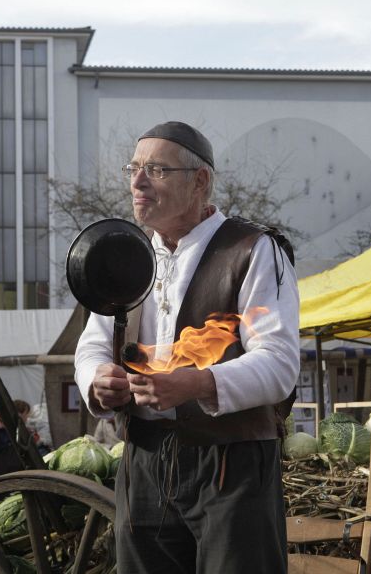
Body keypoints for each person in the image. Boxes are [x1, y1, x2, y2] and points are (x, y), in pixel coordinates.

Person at [75, 121, 300, 573]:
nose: (138, 182)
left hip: (230, 464)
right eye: (133, 169)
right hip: (144, 462)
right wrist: (96, 379)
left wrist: (196, 384)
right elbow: (93, 345)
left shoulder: (253, 250)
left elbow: (279, 364)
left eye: (156, 170)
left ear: (200, 181)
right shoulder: (126, 254)